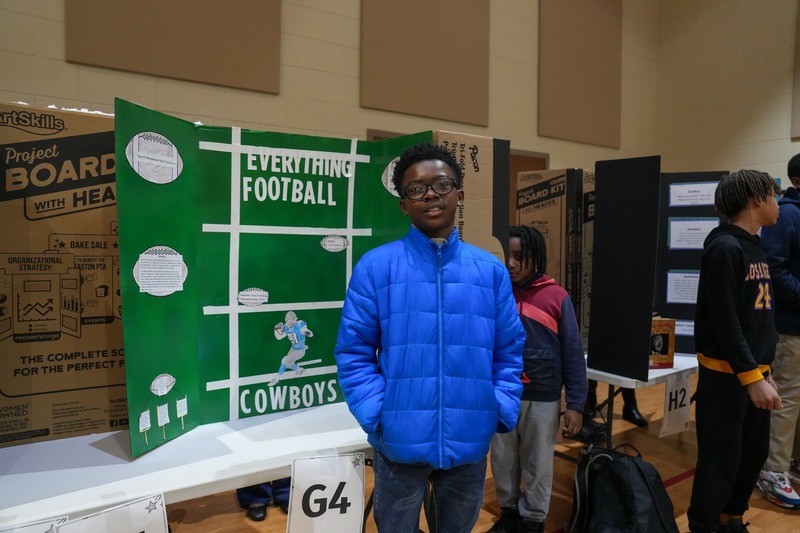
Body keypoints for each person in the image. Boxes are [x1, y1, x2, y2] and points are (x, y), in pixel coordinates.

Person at [334, 142, 525, 533]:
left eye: (441, 184)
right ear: (404, 204)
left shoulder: (489, 270)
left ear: (460, 194)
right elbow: (353, 352)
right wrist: (377, 414)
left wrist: (499, 407)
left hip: (470, 443)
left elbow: (508, 350)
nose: (431, 195)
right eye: (416, 189)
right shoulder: (376, 267)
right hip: (398, 446)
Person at [687, 170, 783, 533]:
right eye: (774, 196)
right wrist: (750, 377)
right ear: (756, 200)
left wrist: (764, 370)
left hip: (754, 373)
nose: (778, 203)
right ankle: (704, 524)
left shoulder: (753, 245)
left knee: (751, 456)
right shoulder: (725, 248)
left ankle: (731, 520)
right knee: (720, 461)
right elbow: (725, 322)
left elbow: (756, 319)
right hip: (727, 379)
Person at [486, 225, 587, 533]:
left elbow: (572, 354)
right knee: (502, 460)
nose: (512, 263)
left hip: (542, 398)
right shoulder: (496, 295)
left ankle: (533, 519)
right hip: (501, 395)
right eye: (509, 256)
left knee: (538, 464)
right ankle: (509, 513)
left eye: (521, 256)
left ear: (537, 257)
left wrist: (576, 404)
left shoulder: (557, 297)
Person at [757, 154, 800, 509]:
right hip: (790, 328)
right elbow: (773, 268)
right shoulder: (786, 214)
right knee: (787, 398)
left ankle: (791, 461)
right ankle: (772, 470)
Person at [269, 310, 312, 386]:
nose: (290, 323)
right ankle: (299, 370)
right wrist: (276, 331)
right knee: (288, 364)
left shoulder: (300, 324)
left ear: (296, 319)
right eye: (288, 322)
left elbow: (307, 332)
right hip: (293, 349)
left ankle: (276, 379)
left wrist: (306, 332)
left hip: (300, 350)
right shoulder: (286, 327)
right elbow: (279, 337)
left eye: (292, 321)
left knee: (284, 360)